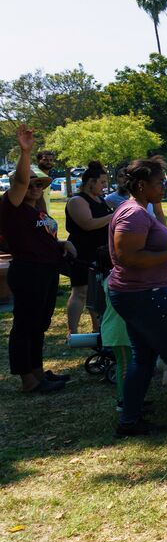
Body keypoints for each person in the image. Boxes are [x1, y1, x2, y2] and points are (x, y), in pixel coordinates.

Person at [107, 156, 167, 436]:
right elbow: (128, 256)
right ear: (142, 185)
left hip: (138, 293)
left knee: (143, 358)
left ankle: (129, 420)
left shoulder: (139, 209)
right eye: (159, 182)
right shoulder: (133, 214)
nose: (165, 185)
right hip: (147, 296)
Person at [1, 126, 76, 394]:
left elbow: (41, 237)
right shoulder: (12, 206)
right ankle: (28, 381)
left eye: (39, 184)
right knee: (26, 325)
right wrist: (26, 151)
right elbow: (20, 183)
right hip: (28, 271)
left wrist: (61, 243)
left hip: (46, 269)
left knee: (39, 324)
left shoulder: (35, 209)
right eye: (31, 183)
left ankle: (37, 372)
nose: (34, 187)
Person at [64, 161, 114, 335]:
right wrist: (113, 215)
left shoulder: (100, 200)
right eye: (102, 182)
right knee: (81, 291)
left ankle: (98, 328)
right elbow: (88, 224)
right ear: (90, 182)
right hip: (82, 252)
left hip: (101, 253)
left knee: (98, 292)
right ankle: (73, 331)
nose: (104, 186)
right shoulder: (77, 200)